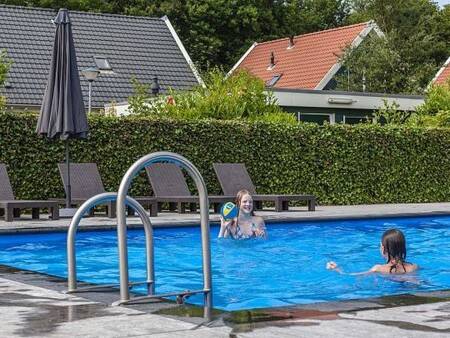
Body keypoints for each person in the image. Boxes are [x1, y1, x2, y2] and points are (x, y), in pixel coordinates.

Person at [327, 228, 418, 275]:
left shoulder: (378, 268)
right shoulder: (413, 267)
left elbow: (352, 275)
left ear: (383, 249)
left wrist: (337, 269)